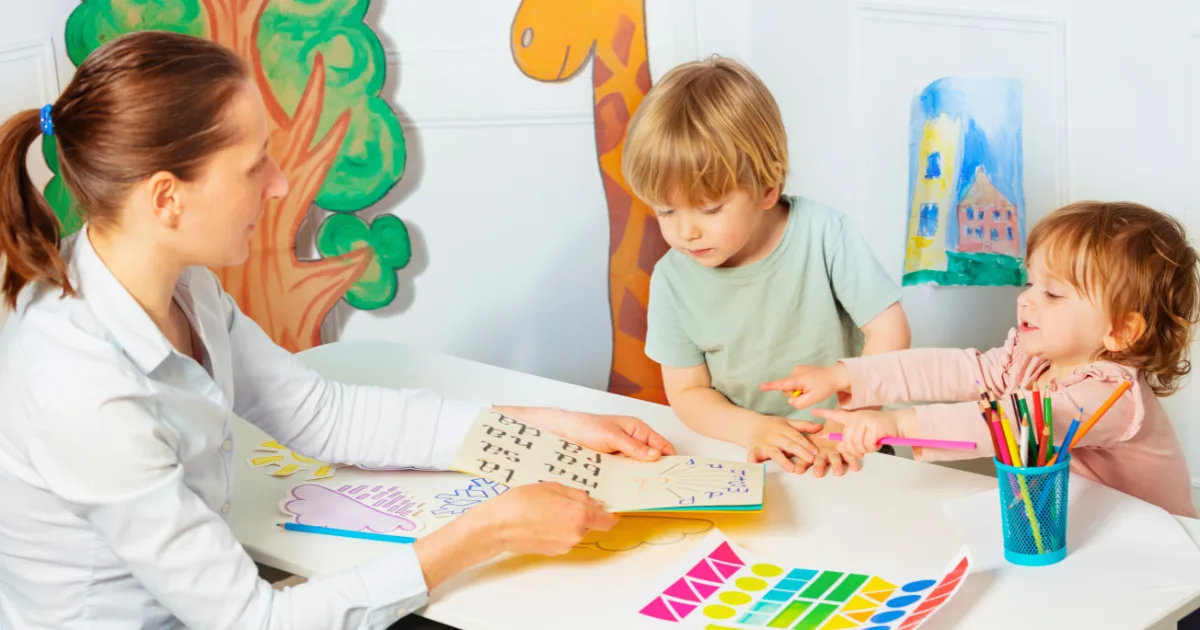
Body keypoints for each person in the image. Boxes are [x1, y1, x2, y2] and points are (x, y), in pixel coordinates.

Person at [0, 31, 675, 629]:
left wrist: (540, 425)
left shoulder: (184, 286)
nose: (279, 183)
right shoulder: (82, 390)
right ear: (167, 199)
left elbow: (323, 414)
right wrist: (487, 532)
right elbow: (253, 621)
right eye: (254, 164)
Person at [766, 202, 1200, 517]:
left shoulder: (1112, 395)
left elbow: (1016, 421)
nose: (1026, 299)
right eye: (1030, 282)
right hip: (1080, 531)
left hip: (1161, 554)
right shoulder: (1033, 360)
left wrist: (899, 425)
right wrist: (845, 375)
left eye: (1052, 293)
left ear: (1121, 330)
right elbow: (952, 369)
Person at [622, 56, 911, 478]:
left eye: (708, 208)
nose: (686, 232)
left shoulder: (824, 233)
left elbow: (889, 330)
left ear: (767, 187)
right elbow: (687, 391)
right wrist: (754, 429)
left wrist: (850, 423)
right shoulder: (672, 278)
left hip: (853, 448)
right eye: (665, 211)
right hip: (754, 455)